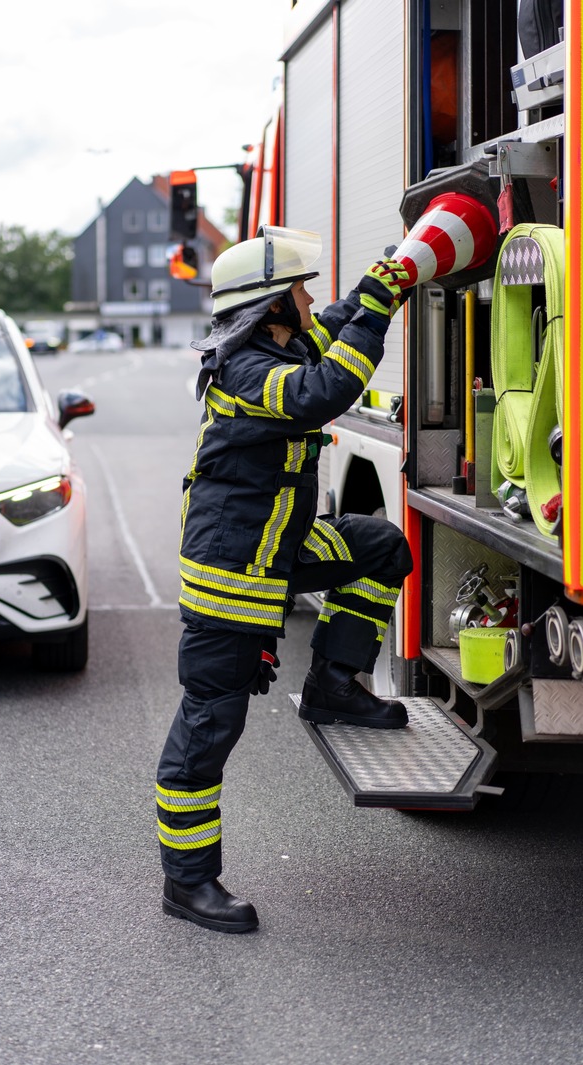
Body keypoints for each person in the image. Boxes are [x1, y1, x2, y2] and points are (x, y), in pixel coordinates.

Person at [156, 226, 414, 934]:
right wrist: (380, 312)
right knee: (210, 723)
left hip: (281, 550)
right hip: (233, 573)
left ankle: (333, 684)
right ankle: (189, 881)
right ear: (271, 304)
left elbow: (331, 327)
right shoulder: (248, 371)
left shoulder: (280, 342)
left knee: (382, 547)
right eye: (299, 288)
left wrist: (382, 282)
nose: (310, 299)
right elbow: (321, 391)